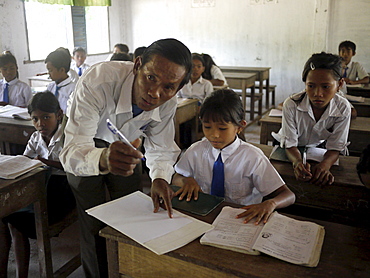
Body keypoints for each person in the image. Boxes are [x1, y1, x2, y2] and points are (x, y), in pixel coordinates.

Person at [59, 38, 192, 277]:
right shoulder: (99, 79)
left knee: (132, 210)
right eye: (150, 77)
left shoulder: (168, 100)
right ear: (137, 64)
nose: (154, 93)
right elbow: (71, 152)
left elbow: (161, 147)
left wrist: (160, 178)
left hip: (127, 143)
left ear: (178, 88)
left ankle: (127, 270)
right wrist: (103, 158)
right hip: (85, 140)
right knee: (93, 219)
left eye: (168, 87)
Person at [172, 89, 295, 224]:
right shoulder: (196, 151)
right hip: (203, 215)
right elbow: (176, 176)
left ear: (240, 126)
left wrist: (270, 203)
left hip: (240, 218)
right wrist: (185, 181)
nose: (214, 135)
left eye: (222, 128)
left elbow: (288, 195)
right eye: (207, 127)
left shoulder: (252, 157)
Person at [0, 91, 75, 278]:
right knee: (5, 218)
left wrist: (45, 162)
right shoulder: (35, 137)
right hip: (41, 185)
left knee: (14, 221)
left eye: (46, 117)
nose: (40, 124)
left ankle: (20, 274)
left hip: (63, 191)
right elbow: (26, 159)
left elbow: (74, 167)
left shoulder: (69, 136)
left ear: (58, 115)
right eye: (35, 119)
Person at [272, 52, 351, 187]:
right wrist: (297, 163)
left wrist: (325, 166)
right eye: (311, 86)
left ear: (340, 84)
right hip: (289, 147)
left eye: (326, 87)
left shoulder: (343, 108)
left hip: (317, 148)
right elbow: (290, 144)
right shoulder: (291, 104)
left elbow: (336, 146)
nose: (317, 94)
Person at [45, 48, 77, 114]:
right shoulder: (50, 87)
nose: (48, 73)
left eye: (50, 70)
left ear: (62, 70)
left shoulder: (74, 89)